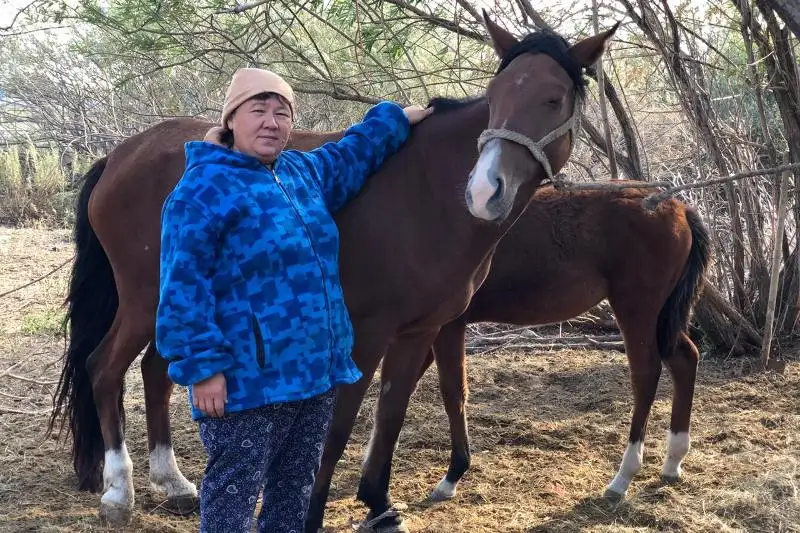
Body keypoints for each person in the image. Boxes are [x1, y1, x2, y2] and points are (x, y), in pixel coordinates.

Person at [155, 67, 433, 533]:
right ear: (231, 120)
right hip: (247, 385)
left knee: (292, 497)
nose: (271, 121)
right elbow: (182, 288)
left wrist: (398, 118)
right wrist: (202, 369)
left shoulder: (302, 172)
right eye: (257, 110)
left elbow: (352, 153)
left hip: (315, 375)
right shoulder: (202, 192)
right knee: (232, 504)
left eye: (281, 112)